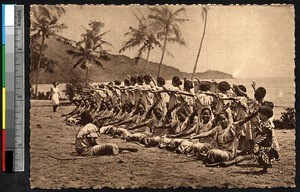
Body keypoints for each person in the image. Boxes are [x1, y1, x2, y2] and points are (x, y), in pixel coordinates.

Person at [191, 110, 258, 165]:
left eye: (224, 119)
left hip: (228, 152)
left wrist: (255, 113)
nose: (222, 121)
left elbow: (244, 120)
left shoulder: (233, 127)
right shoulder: (218, 128)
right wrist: (195, 137)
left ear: (228, 119)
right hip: (217, 148)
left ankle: (211, 157)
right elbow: (207, 133)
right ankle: (211, 157)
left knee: (212, 152)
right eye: (220, 120)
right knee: (201, 147)